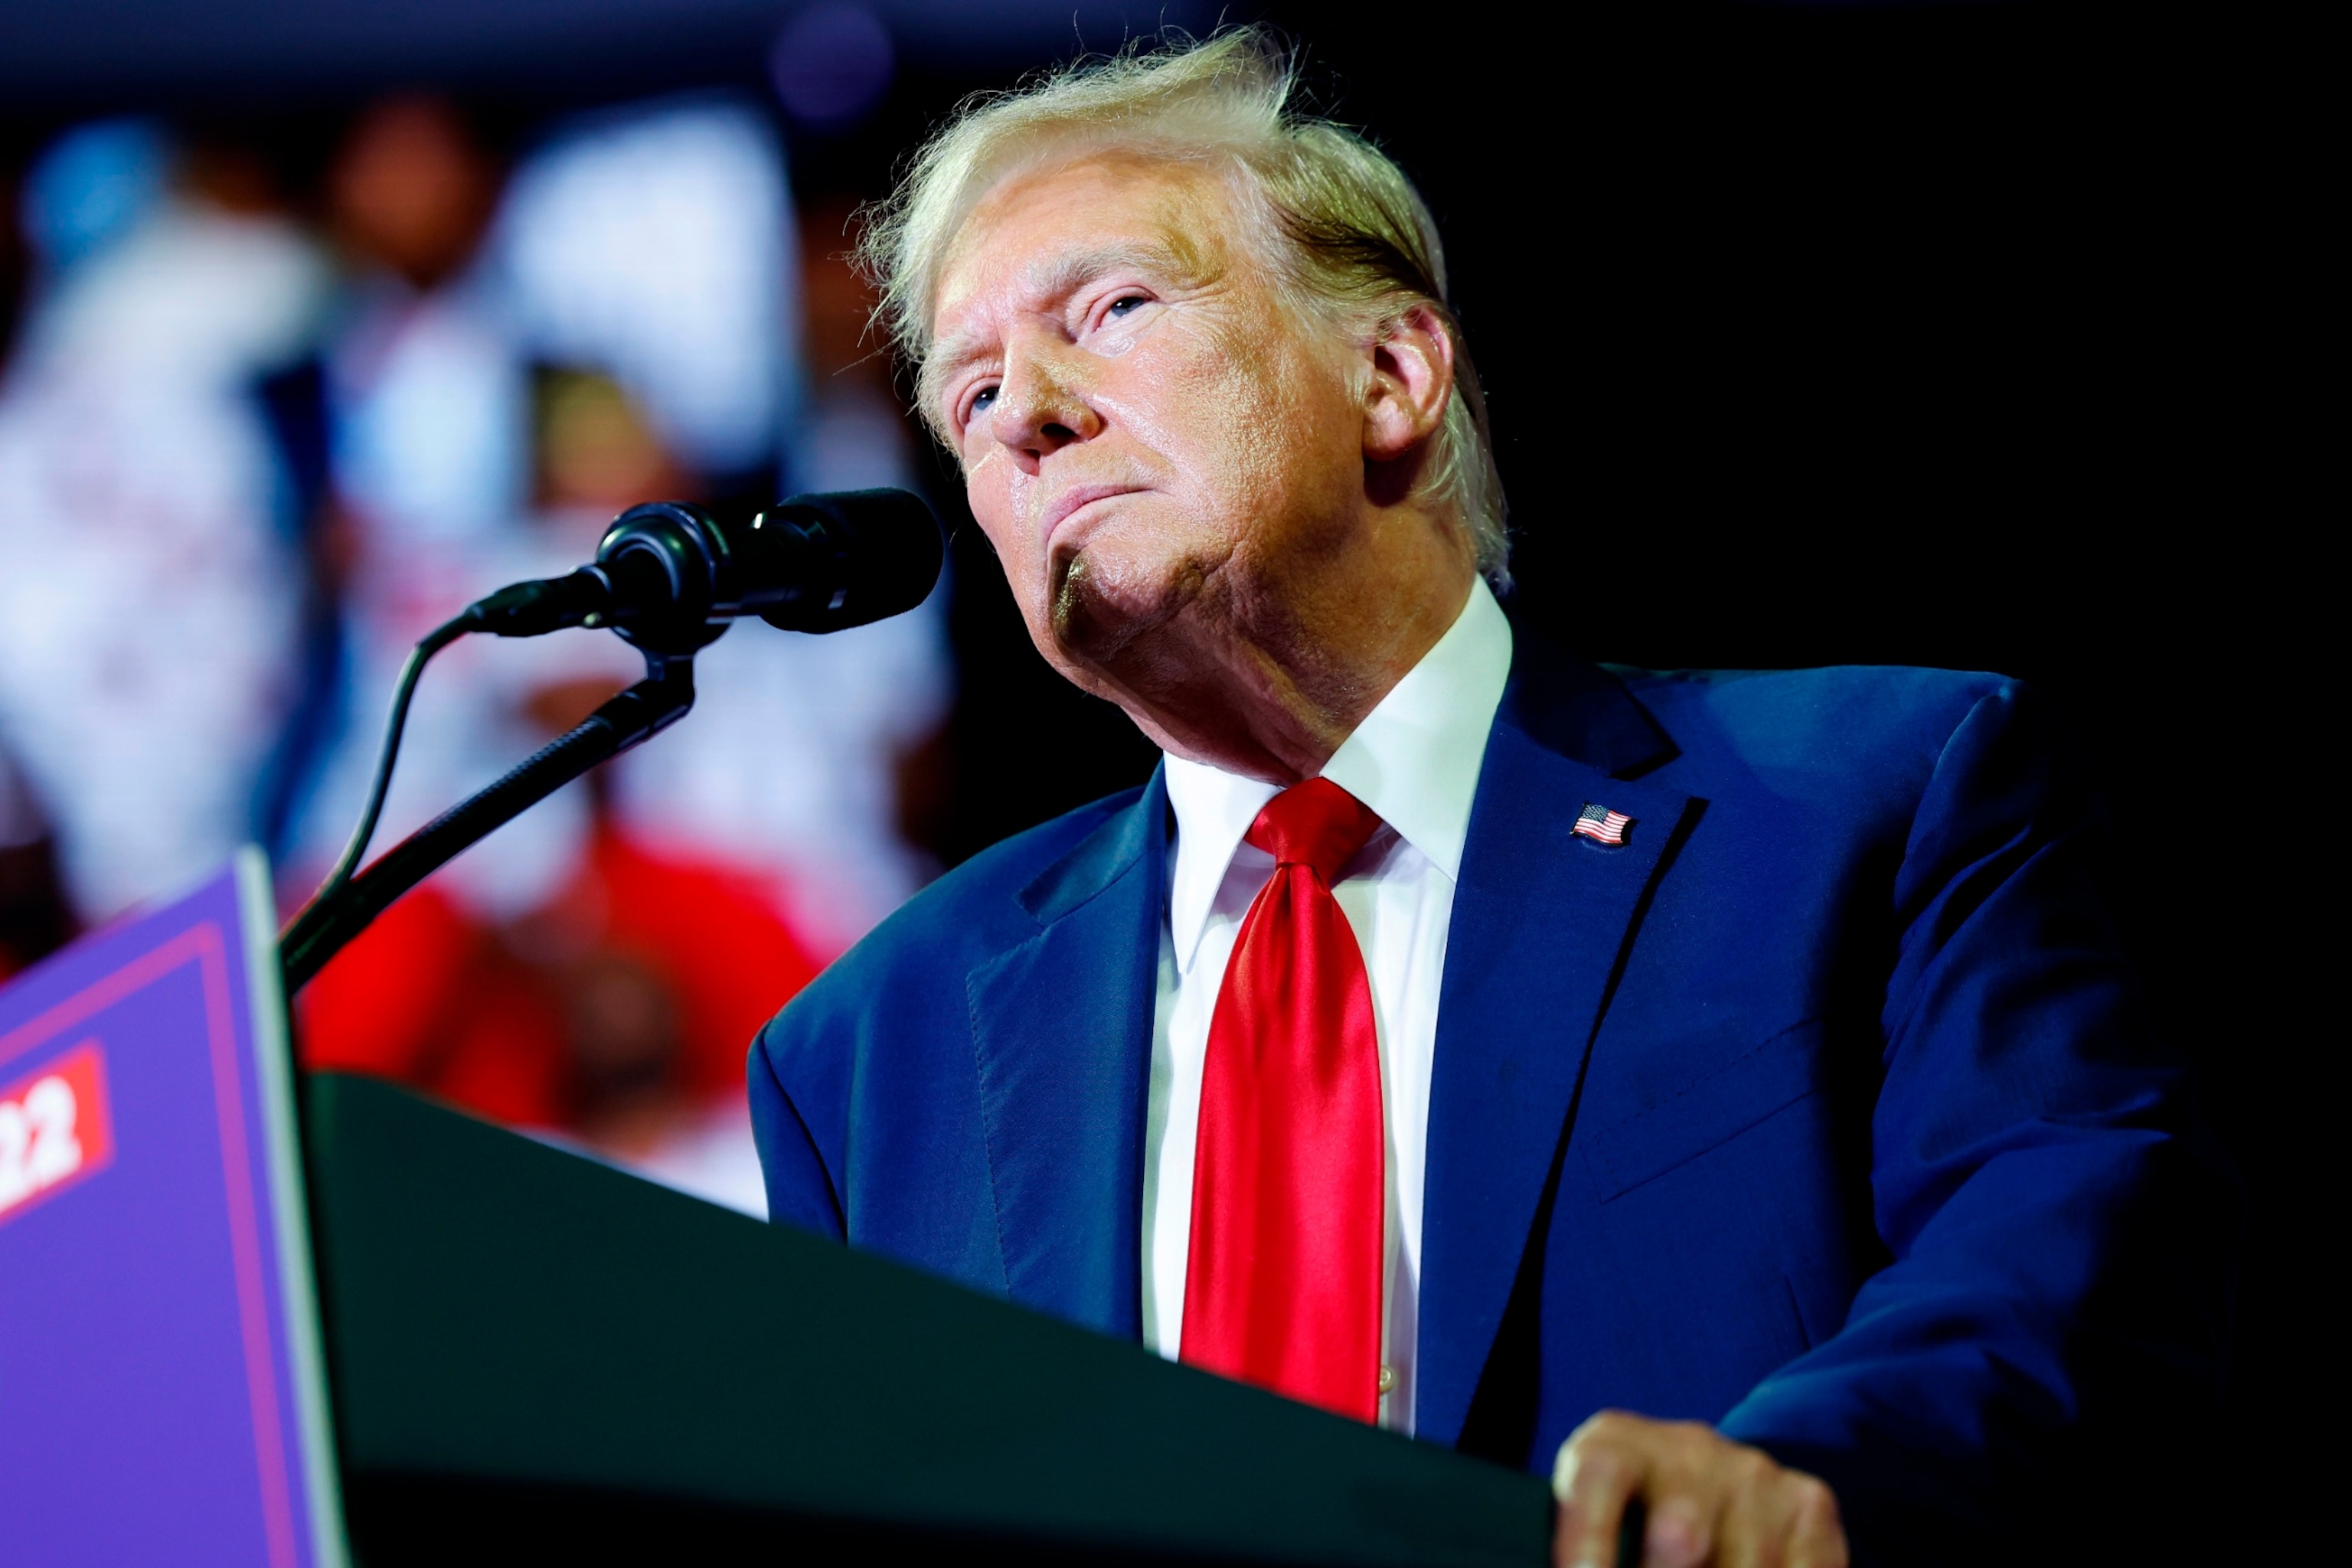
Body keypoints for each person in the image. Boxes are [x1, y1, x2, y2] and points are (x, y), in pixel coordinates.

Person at [747, 31, 2233, 1567]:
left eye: (1111, 310)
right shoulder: (875, 1049)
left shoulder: (1877, 801)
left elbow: (2080, 1246)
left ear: (1391, 372)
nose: (1026, 415)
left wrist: (1808, 1478)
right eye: (971, 389)